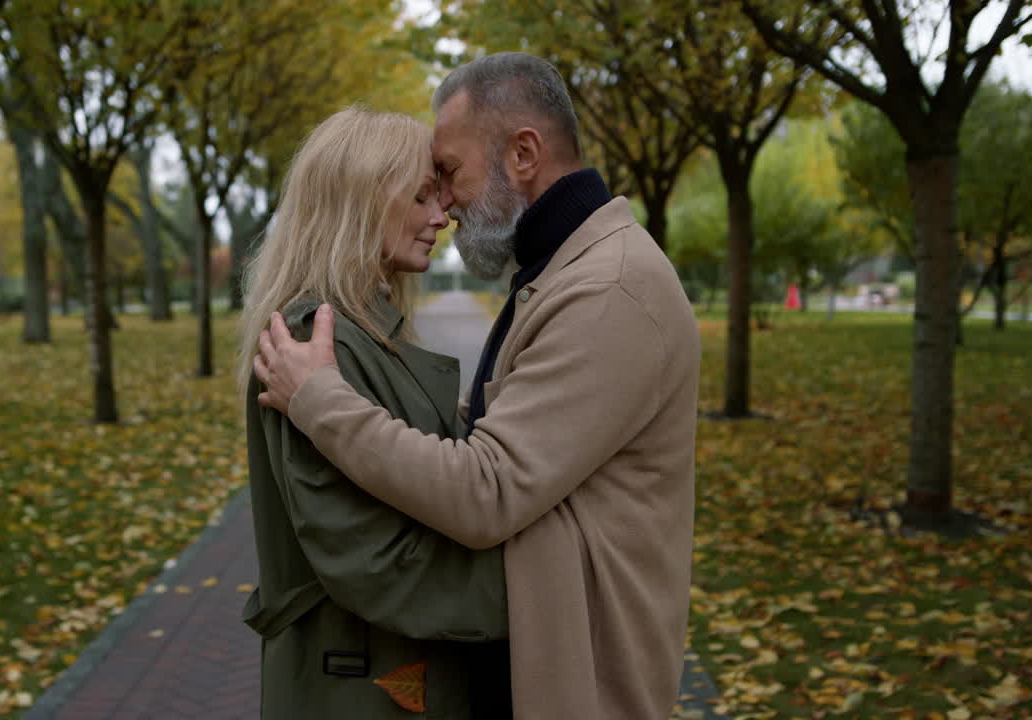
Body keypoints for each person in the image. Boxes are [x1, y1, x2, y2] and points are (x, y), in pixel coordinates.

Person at [252, 53, 701, 719]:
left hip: (585, 674)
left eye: (451, 174)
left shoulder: (610, 286)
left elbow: (488, 488)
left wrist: (321, 398)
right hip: (532, 661)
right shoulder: (559, 271)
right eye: (424, 190)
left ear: (523, 154)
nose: (449, 204)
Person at [238, 106, 511, 719]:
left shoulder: (362, 330)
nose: (441, 217)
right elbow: (370, 558)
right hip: (363, 682)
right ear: (359, 202)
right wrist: (533, 588)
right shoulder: (315, 336)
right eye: (419, 197)